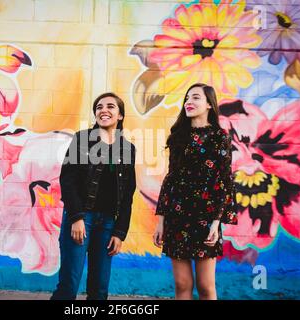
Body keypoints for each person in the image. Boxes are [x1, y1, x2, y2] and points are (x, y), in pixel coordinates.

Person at [153, 83, 237, 300]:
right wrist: (161, 221)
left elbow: (225, 182)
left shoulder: (220, 136)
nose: (189, 102)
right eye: (187, 98)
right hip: (177, 216)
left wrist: (216, 222)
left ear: (209, 104)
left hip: (206, 218)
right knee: (182, 284)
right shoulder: (178, 136)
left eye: (196, 98)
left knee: (205, 285)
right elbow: (170, 179)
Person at [51, 92, 136, 300]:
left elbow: (127, 194)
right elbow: (68, 180)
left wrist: (119, 232)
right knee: (69, 285)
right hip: (82, 219)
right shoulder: (82, 139)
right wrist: (77, 217)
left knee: (99, 288)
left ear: (120, 115)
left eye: (110, 106)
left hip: (108, 224)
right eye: (99, 107)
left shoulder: (128, 149)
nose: (103, 110)